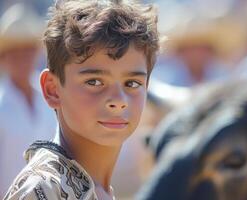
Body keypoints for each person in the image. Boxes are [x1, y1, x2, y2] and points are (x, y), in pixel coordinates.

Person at [3, 0, 160, 199]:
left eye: (132, 83)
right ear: (52, 90)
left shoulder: (97, 190)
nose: (118, 100)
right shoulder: (42, 190)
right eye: (94, 82)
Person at [0, 3, 57, 197]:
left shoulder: (51, 96)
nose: (22, 57)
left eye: (27, 50)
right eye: (15, 51)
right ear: (3, 58)